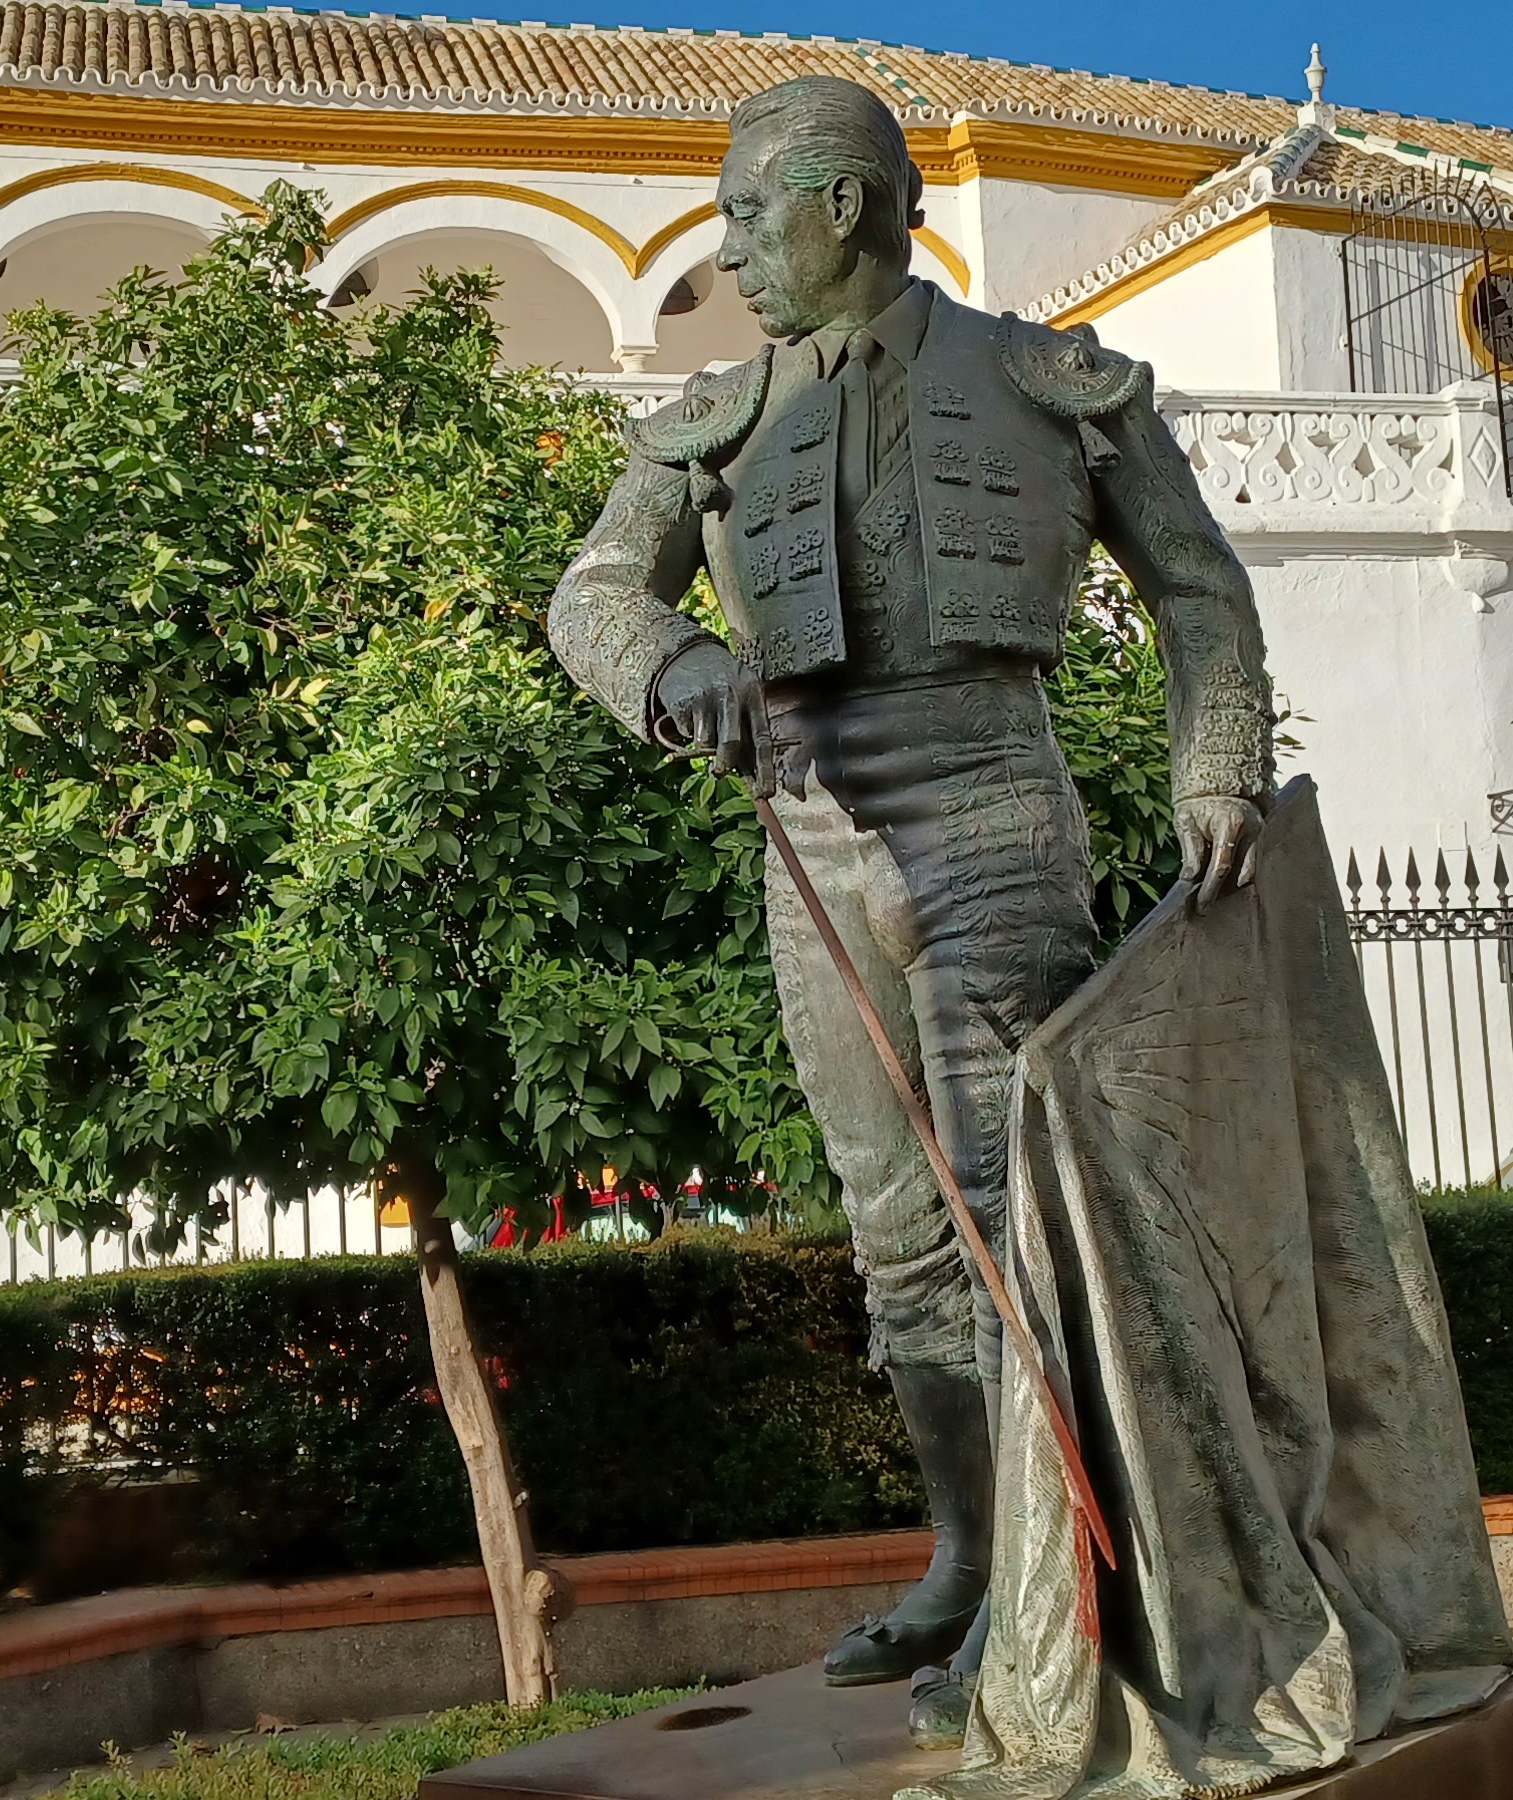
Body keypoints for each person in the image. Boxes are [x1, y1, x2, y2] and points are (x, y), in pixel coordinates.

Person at [541, 75, 1278, 1744]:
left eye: (748, 216)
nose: (729, 253)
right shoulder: (714, 416)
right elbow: (591, 593)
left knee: (1020, 1211)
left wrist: (1218, 766)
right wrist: (672, 659)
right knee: (893, 1222)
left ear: (846, 205)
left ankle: (1067, 1585)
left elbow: (1197, 587)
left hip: (991, 796)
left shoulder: (1045, 380)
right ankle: (971, 1556)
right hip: (811, 819)